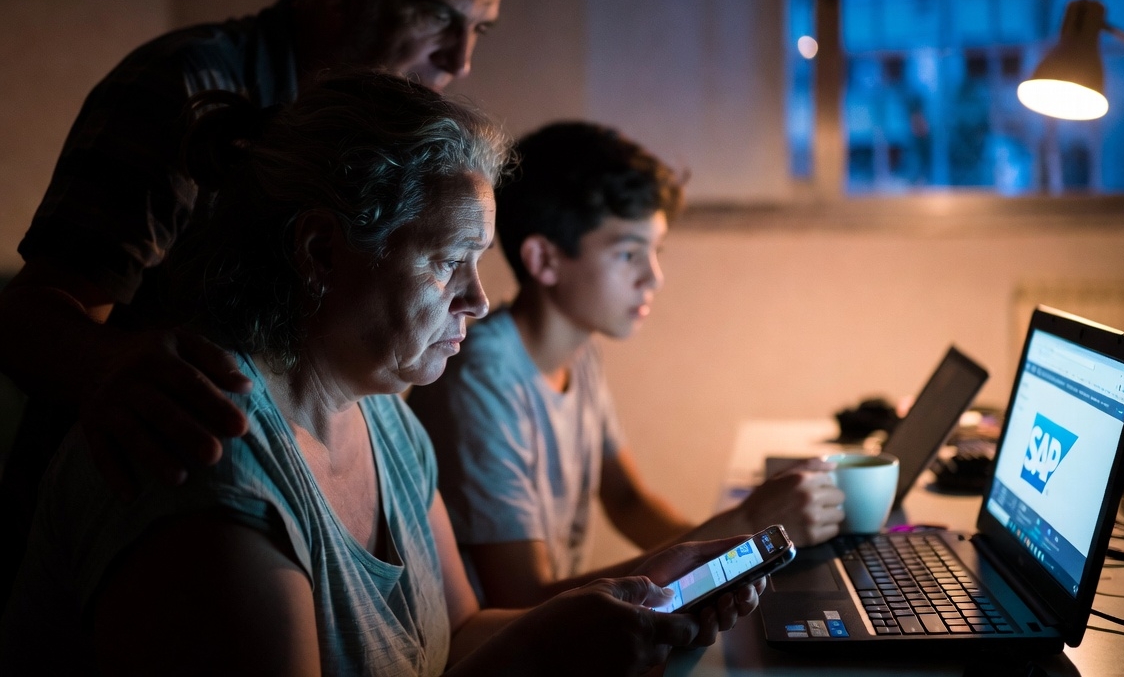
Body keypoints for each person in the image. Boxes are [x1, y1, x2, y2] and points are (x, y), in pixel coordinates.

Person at [0, 73, 762, 675]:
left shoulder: (388, 420)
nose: (478, 298)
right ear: (321, 252)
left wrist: (628, 593)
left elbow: (461, 632)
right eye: (445, 263)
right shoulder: (207, 451)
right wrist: (545, 651)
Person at [0, 0, 520, 604]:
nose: (459, 59)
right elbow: (29, 315)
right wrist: (117, 370)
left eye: (481, 30)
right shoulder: (189, 87)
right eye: (434, 13)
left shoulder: (390, 127)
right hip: (153, 513)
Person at [409, 122, 847, 608]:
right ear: (545, 259)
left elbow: (626, 501)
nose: (653, 277)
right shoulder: (481, 379)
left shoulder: (579, 351)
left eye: (656, 253)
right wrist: (745, 529)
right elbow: (521, 599)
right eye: (628, 253)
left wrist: (729, 556)